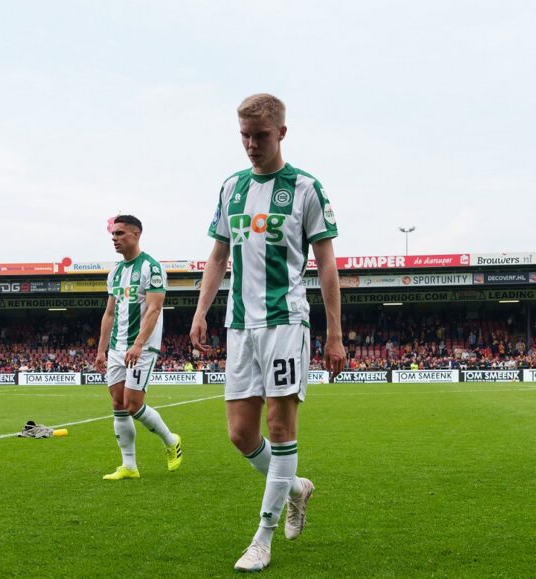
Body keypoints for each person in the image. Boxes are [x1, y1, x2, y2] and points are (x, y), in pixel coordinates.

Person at [189, 94, 346, 572]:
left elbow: (327, 265)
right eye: (244, 136)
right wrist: (201, 311)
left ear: (281, 132)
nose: (251, 145)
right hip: (239, 324)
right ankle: (296, 486)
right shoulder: (230, 188)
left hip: (285, 321)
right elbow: (217, 257)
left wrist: (335, 334)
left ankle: (263, 537)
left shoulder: (304, 188)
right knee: (240, 435)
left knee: (280, 429)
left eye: (260, 136)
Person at [95, 215, 183, 480]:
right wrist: (101, 350)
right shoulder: (115, 273)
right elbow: (109, 313)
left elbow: (155, 308)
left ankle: (171, 440)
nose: (114, 238)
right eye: (113, 234)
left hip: (142, 347)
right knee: (118, 404)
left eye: (120, 233)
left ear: (136, 234)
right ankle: (129, 466)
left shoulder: (152, 268)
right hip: (117, 347)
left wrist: (138, 344)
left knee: (133, 405)